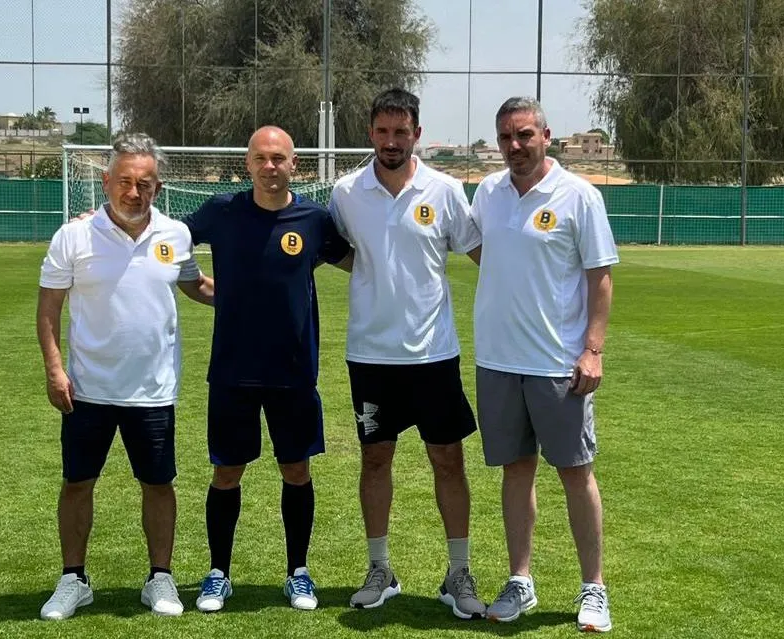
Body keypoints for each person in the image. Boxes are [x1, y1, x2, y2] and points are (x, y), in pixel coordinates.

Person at [36, 133, 213, 621]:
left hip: (153, 390)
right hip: (87, 389)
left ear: (158, 186)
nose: (134, 193)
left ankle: (160, 578)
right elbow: (49, 309)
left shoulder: (175, 235)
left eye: (145, 184)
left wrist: (252, 293)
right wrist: (55, 369)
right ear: (107, 181)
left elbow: (194, 285)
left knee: (158, 485)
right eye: (126, 182)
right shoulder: (73, 236)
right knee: (77, 482)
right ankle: (74, 579)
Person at [328, 88, 487, 620]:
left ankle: (458, 572)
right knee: (375, 458)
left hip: (433, 355)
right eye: (382, 131)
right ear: (370, 133)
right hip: (370, 354)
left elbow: (480, 251)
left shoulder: (443, 190)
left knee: (448, 459)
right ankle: (381, 569)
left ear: (417, 133)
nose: (391, 141)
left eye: (401, 132)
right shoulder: (346, 191)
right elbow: (338, 249)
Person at [184, 126, 352, 613]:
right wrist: (201, 288)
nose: (270, 166)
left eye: (279, 158)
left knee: (296, 469)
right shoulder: (222, 212)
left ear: (293, 164)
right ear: (248, 163)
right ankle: (218, 573)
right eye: (261, 158)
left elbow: (361, 264)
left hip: (294, 370)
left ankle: (297, 572)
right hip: (233, 369)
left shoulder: (315, 220)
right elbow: (168, 243)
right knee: (226, 472)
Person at [469, 97, 618, 633]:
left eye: (525, 135)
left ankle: (593, 588)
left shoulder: (578, 195)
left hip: (559, 363)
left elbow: (600, 277)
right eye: (507, 137)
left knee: (576, 472)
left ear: (546, 135)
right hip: (498, 361)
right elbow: (483, 251)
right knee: (515, 470)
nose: (515, 146)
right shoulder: (487, 193)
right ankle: (520, 582)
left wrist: (592, 349)